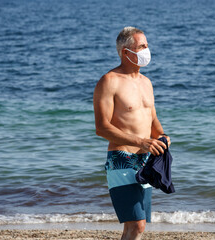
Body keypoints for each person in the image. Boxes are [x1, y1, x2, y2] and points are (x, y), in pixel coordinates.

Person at [93, 26, 171, 240]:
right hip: (121, 158)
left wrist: (162, 136)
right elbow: (102, 127)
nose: (147, 50)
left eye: (147, 45)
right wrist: (140, 141)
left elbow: (152, 119)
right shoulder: (109, 81)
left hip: (146, 159)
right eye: (142, 46)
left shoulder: (146, 83)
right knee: (136, 224)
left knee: (138, 226)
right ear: (126, 52)